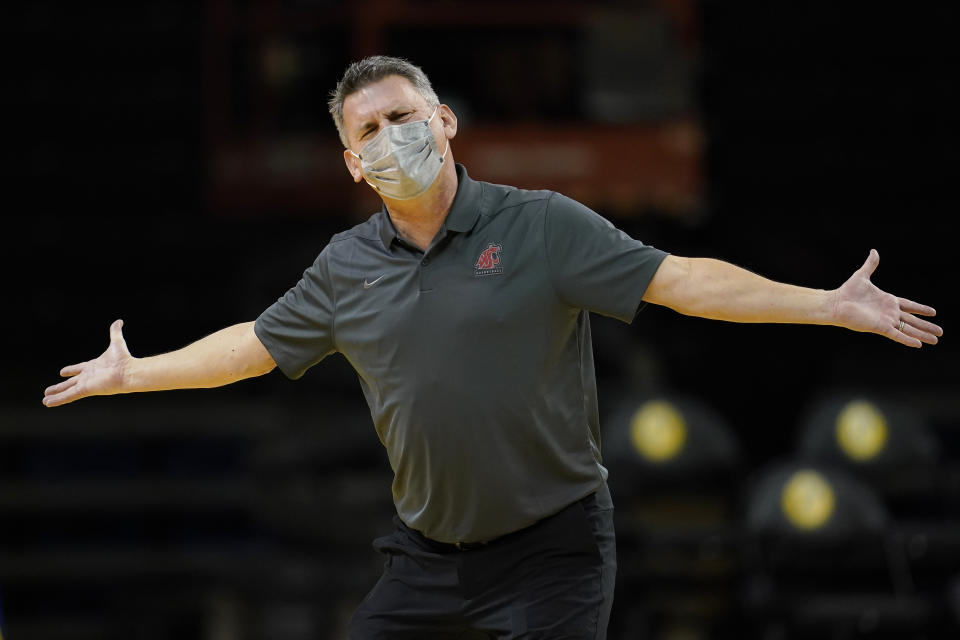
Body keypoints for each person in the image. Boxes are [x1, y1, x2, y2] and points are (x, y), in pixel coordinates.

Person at [43, 55, 942, 639]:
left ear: (444, 121)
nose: (391, 138)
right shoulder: (345, 265)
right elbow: (254, 345)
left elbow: (682, 278)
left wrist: (822, 304)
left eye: (404, 116)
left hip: (553, 554)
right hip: (427, 559)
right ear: (353, 165)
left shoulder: (539, 224)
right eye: (367, 132)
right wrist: (134, 374)